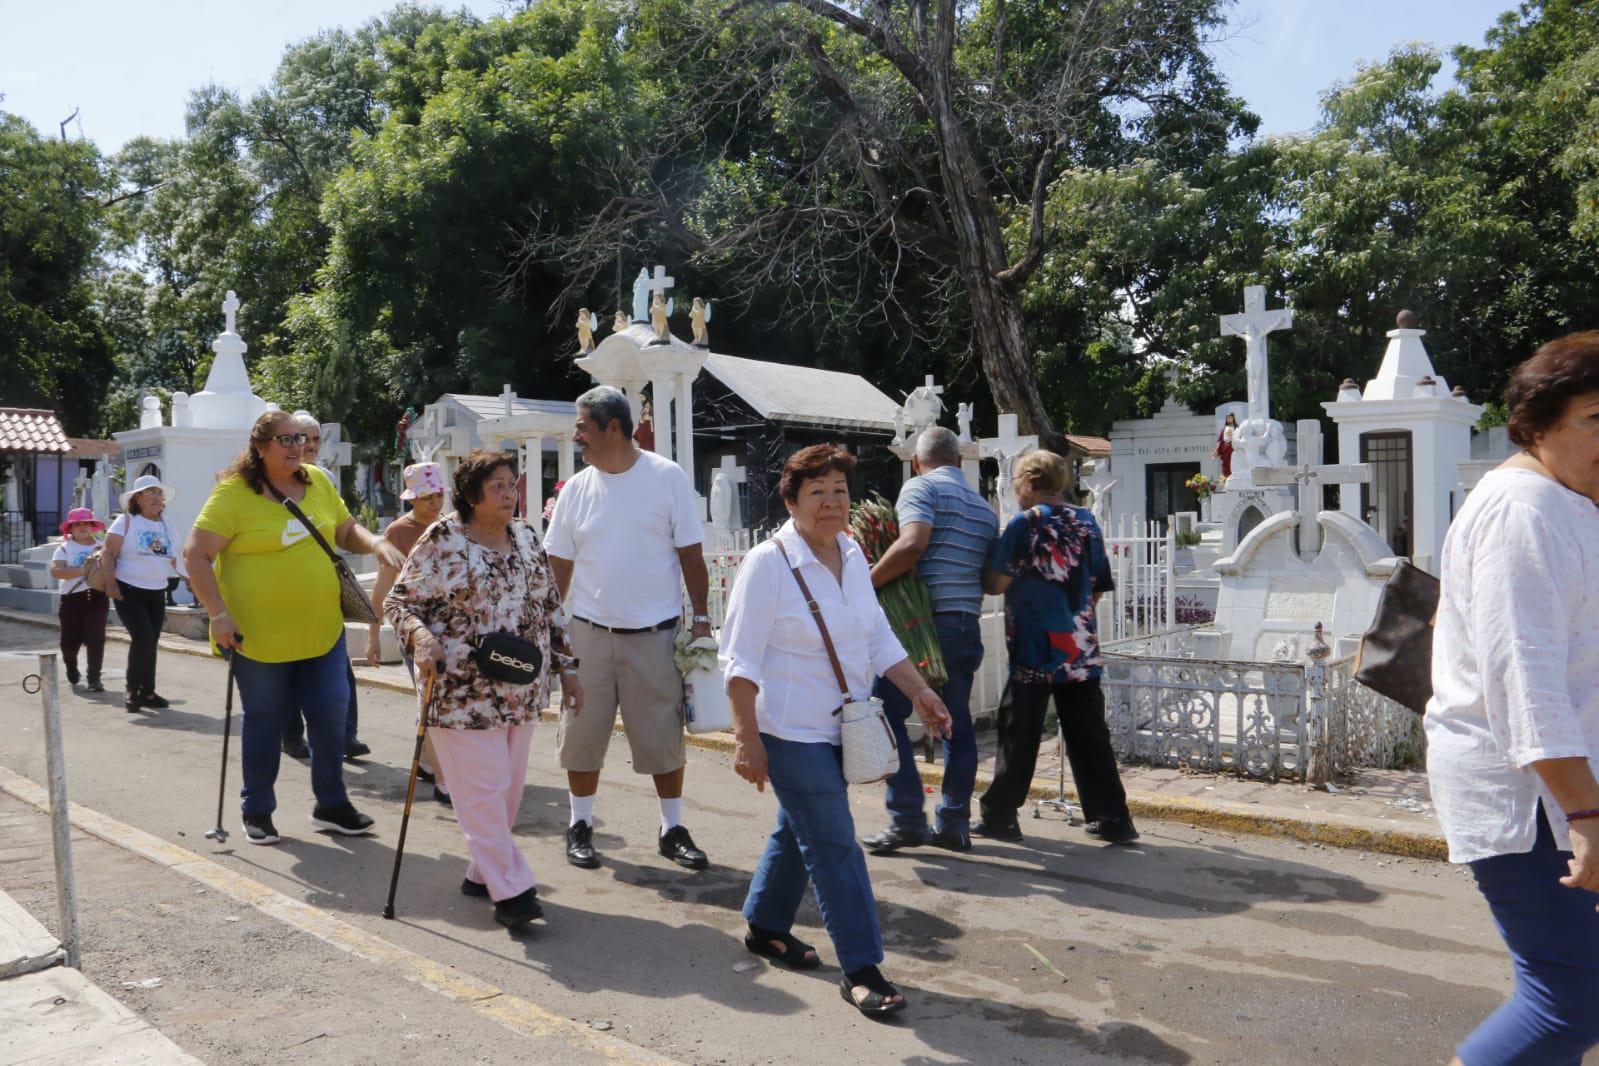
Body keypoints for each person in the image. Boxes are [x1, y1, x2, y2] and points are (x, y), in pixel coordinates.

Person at [721, 444, 952, 1016]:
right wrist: (746, 740)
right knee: (833, 842)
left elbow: (877, 636)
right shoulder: (769, 563)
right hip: (787, 731)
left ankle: (766, 925)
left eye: (840, 491)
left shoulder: (851, 552)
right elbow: (739, 662)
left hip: (841, 727)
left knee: (797, 830)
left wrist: (919, 689)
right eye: (817, 492)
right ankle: (862, 967)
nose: (831, 502)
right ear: (792, 500)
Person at [1426, 333, 1599, 1066]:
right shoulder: (1521, 511)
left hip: (1566, 786)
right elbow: (1523, 682)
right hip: (1532, 800)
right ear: (1537, 425)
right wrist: (1585, 814)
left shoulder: (1569, 499)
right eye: (1596, 419)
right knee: (1569, 999)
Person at [183, 411, 403, 845]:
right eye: (285, 439)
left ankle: (332, 804)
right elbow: (196, 554)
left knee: (329, 719)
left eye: (301, 438)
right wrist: (218, 613)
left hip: (321, 633)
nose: (296, 446)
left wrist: (374, 541)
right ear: (260, 447)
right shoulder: (232, 494)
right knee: (265, 721)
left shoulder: (317, 481)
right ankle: (257, 809)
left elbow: (344, 529)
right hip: (256, 639)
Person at [385, 449, 581, 930]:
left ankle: (481, 872)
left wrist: (568, 667)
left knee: (508, 794)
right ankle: (512, 891)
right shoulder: (443, 539)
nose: (509, 491)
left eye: (512, 483)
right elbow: (398, 601)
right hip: (460, 693)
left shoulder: (527, 537)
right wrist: (423, 637)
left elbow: (550, 604)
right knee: (483, 791)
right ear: (471, 494)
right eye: (497, 484)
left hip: (521, 687)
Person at [544, 385, 713, 871]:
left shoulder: (667, 478)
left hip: (654, 634)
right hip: (589, 634)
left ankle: (672, 828)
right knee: (581, 733)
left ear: (612, 428)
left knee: (663, 734)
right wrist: (552, 630)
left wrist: (700, 618)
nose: (576, 436)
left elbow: (691, 556)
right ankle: (580, 824)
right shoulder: (577, 489)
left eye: (582, 427)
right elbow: (558, 565)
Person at [976, 450, 1139, 845]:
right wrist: (1074, 616)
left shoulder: (1025, 523)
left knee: (1020, 732)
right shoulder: (1085, 521)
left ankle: (1001, 815)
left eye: (1015, 479)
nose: (1013, 487)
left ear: (1029, 482)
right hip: (1079, 648)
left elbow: (996, 584)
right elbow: (1098, 585)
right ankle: (1113, 818)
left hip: (1034, 648)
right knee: (1089, 736)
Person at [861, 426, 997, 854]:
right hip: (963, 625)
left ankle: (906, 819)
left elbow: (912, 544)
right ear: (959, 462)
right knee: (955, 723)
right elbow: (991, 581)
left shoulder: (920, 488)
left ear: (917, 462)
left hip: (922, 626)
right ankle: (955, 824)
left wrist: (866, 584)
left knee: (884, 714)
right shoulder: (983, 508)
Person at [279, 413, 371, 760]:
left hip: (322, 584)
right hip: (285, 589)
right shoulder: (269, 483)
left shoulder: (325, 479)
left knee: (337, 664)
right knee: (289, 666)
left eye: (316, 439)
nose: (312, 446)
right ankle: (291, 734)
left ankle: (345, 735)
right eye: (304, 438)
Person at [367, 461, 450, 804]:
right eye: (426, 496)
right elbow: (384, 587)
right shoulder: (398, 533)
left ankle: (430, 763)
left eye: (438, 495)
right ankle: (442, 777)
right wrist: (373, 636)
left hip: (450, 627)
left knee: (445, 699)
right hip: (413, 627)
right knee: (429, 699)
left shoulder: (452, 527)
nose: (434, 502)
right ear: (413, 499)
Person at [103, 474, 180, 713]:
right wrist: (110, 584)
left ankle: (148, 691)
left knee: (151, 641)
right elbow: (107, 553)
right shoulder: (125, 522)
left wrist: (192, 579)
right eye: (151, 493)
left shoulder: (167, 525)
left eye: (160, 493)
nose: (158, 497)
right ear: (138, 498)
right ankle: (132, 689)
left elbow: (178, 556)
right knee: (143, 637)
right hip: (128, 589)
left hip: (157, 590)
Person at [50, 507, 109, 692]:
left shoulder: (102, 546)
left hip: (98, 596)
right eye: (77, 524)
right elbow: (57, 571)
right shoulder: (64, 548)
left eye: (86, 523)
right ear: (71, 528)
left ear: (92, 526)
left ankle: (94, 678)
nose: (82, 527)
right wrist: (85, 570)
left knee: (96, 639)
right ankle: (71, 665)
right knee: (69, 641)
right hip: (71, 599)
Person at [1213, 412, 1237, 479]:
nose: (1229, 419)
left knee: (1234, 465)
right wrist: (1217, 451)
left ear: (1233, 418)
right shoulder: (1223, 430)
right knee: (1226, 466)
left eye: (1230, 417)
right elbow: (1220, 441)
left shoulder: (1237, 428)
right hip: (1225, 451)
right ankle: (1226, 479)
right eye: (1228, 418)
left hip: (1234, 450)